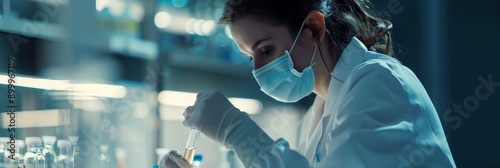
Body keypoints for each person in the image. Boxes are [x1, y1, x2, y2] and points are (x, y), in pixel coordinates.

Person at [160, 0, 456, 167]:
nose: (258, 70)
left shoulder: (379, 82)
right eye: (249, 57)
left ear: (313, 29)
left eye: (266, 50)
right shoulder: (319, 112)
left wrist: (238, 132)